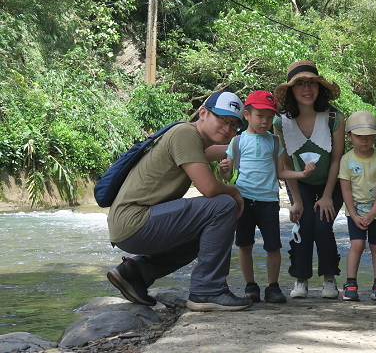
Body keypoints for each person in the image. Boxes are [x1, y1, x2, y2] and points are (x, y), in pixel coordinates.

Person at [106, 91, 253, 312]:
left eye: (234, 125)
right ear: (203, 113)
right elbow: (209, 188)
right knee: (223, 205)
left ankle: (136, 273)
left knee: (207, 231)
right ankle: (208, 291)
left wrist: (258, 143)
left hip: (131, 223)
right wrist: (234, 191)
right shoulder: (185, 134)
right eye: (222, 119)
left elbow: (219, 151)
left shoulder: (192, 139)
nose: (228, 128)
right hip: (135, 221)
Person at [219, 90, 316, 304]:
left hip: (269, 201)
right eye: (260, 116)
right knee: (244, 245)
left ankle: (273, 287)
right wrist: (223, 169)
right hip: (243, 200)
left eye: (270, 117)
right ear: (247, 115)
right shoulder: (237, 142)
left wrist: (302, 174)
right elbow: (228, 174)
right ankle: (250, 286)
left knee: (273, 246)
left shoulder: (274, 142)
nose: (265, 121)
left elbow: (280, 172)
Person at [273, 60, 345, 299]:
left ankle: (329, 280)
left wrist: (326, 196)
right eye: (300, 84)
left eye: (312, 83)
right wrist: (296, 201)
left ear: (319, 87)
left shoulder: (334, 116)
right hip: (298, 181)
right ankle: (300, 280)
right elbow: (284, 164)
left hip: (331, 182)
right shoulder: (279, 121)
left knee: (323, 226)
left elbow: (336, 160)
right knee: (303, 223)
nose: (307, 89)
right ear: (292, 91)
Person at [338, 111, 376, 302]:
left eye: (369, 137)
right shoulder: (346, 160)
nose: (364, 141)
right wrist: (353, 214)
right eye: (360, 136)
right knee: (357, 245)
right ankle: (350, 283)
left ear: (375, 136)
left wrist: (373, 212)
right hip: (355, 211)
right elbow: (345, 190)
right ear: (349, 136)